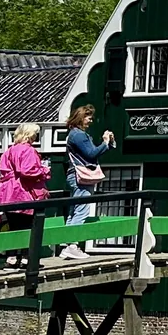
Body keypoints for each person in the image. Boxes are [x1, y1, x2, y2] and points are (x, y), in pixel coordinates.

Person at [63, 101, 116, 261]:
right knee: (82, 210)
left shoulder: (74, 134)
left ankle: (67, 245)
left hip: (75, 175)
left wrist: (108, 143)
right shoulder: (78, 135)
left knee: (75, 210)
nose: (91, 121)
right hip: (81, 176)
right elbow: (92, 154)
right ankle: (72, 246)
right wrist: (105, 142)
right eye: (88, 118)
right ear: (80, 117)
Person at [0, 121, 51, 268]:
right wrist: (44, 170)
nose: (36, 137)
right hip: (22, 191)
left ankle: (11, 258)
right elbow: (27, 171)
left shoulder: (8, 151)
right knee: (29, 226)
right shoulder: (28, 150)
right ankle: (27, 258)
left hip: (7, 192)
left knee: (13, 225)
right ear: (30, 135)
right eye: (35, 134)